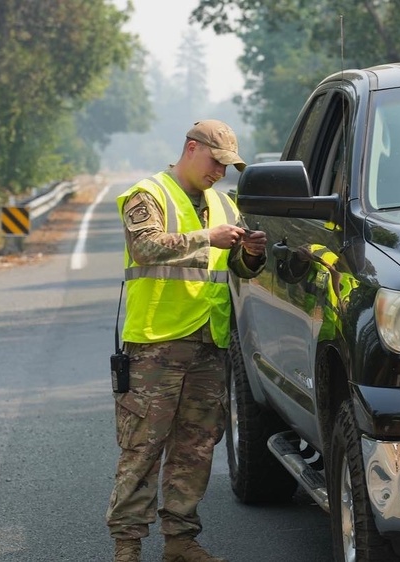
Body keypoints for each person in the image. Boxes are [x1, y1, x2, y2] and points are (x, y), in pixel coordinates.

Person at [106, 119, 267, 562]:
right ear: (191, 149)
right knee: (143, 447)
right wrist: (206, 238)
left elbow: (236, 268)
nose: (220, 172)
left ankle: (180, 542)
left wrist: (251, 254)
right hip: (155, 344)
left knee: (195, 447)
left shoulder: (224, 204)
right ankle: (128, 545)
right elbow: (146, 248)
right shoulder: (148, 194)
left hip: (208, 342)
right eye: (216, 162)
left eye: (227, 166)